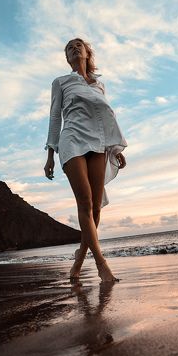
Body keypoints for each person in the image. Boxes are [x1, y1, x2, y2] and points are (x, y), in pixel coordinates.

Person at [44, 38, 127, 283]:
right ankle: (102, 265)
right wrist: (50, 152)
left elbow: (105, 116)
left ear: (87, 53)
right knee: (85, 202)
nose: (74, 48)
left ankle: (80, 258)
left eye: (78, 45)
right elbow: (54, 116)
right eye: (69, 47)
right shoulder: (60, 82)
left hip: (99, 142)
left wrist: (114, 146)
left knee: (96, 207)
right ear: (67, 57)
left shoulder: (99, 85)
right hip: (71, 139)